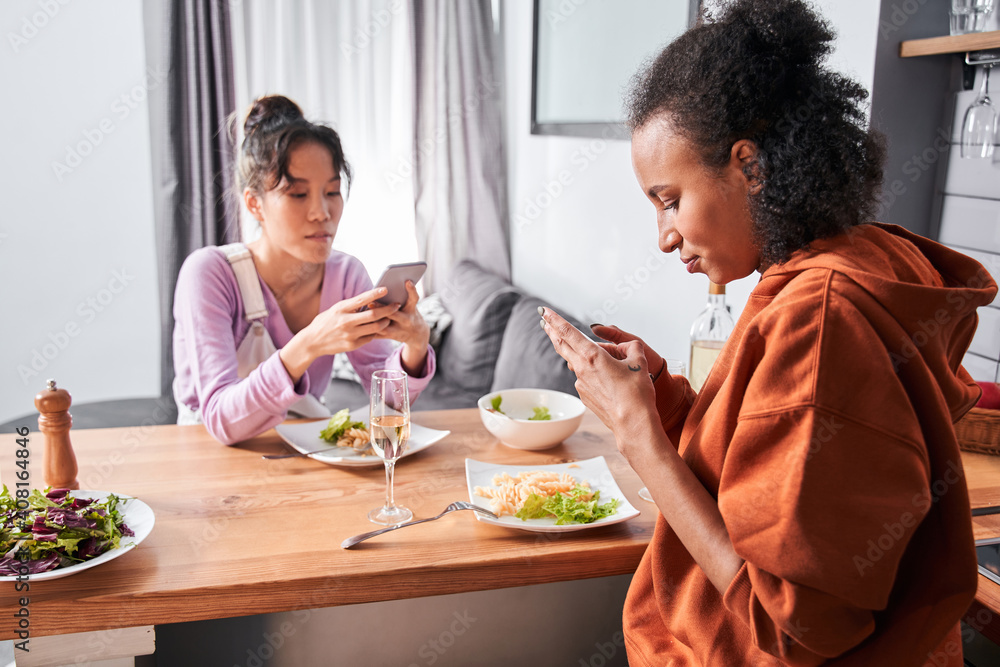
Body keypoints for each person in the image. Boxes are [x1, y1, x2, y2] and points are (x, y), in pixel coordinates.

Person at [540, 0, 996, 664]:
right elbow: (772, 481)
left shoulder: (820, 318)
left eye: (670, 200)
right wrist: (662, 401)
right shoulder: (859, 262)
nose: (665, 238)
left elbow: (790, 630)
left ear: (750, 167)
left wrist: (638, 435)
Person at [173, 95, 435, 445]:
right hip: (207, 458)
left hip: (300, 453)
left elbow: (387, 404)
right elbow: (222, 420)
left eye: (332, 191)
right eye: (298, 194)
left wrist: (414, 349)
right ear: (254, 203)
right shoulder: (209, 274)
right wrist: (309, 344)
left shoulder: (346, 275)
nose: (322, 212)